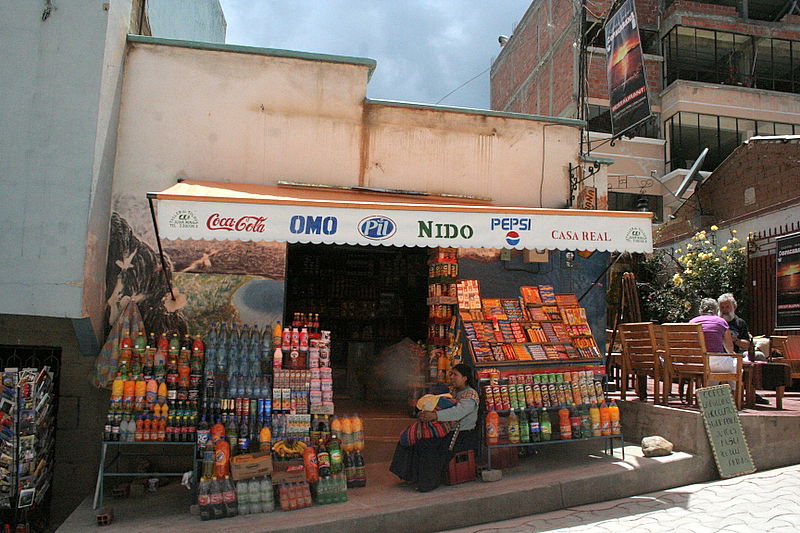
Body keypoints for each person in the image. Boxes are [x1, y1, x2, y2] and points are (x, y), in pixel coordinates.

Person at [389, 363, 479, 492]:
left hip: (461, 435)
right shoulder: (452, 391)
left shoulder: (470, 395)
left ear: (465, 378)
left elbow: (457, 412)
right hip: (445, 430)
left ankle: (428, 483)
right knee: (411, 437)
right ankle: (411, 476)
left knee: (428, 445)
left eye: (455, 375)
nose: (452, 377)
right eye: (451, 374)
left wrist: (435, 416)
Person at [718, 293, 769, 404]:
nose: (725, 310)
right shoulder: (717, 323)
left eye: (727, 307)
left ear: (734, 307)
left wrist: (734, 340)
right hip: (718, 355)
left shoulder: (740, 323)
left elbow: (747, 344)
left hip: (736, 355)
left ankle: (751, 391)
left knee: (757, 356)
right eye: (722, 307)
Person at [690, 298, 737, 386]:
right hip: (715, 361)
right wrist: (732, 355)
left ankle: (710, 391)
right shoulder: (721, 322)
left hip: (696, 362)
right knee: (736, 364)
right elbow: (729, 347)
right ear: (716, 310)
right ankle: (734, 391)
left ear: (701, 310)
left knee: (717, 368)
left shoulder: (692, 322)